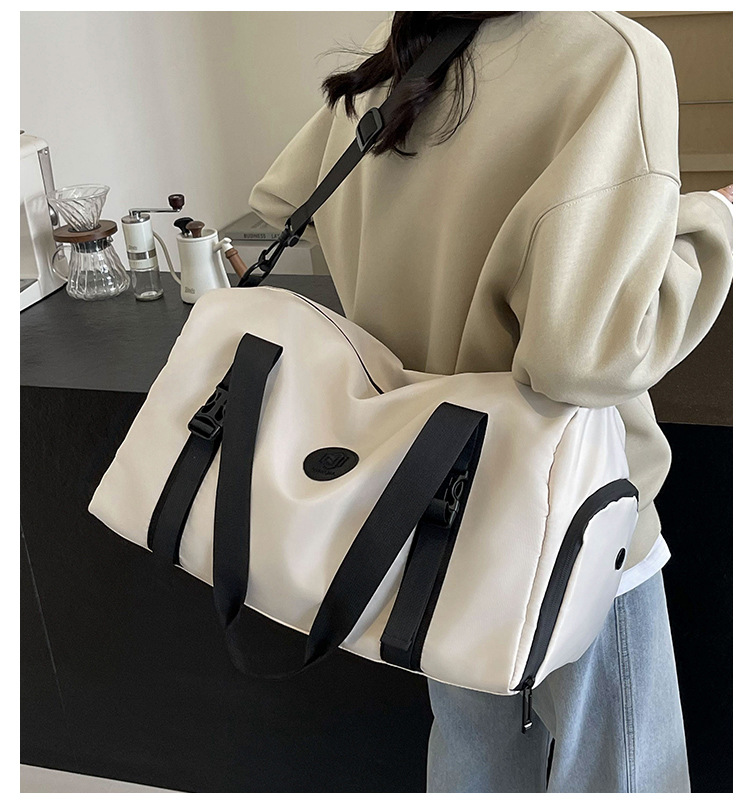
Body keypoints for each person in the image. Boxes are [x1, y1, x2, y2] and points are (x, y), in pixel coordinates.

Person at [247, 11, 733, 793]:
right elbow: (585, 354)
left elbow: (284, 197)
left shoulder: (403, 51)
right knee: (622, 773)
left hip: (427, 500)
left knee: (477, 763)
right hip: (568, 511)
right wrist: (718, 224)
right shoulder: (611, 56)